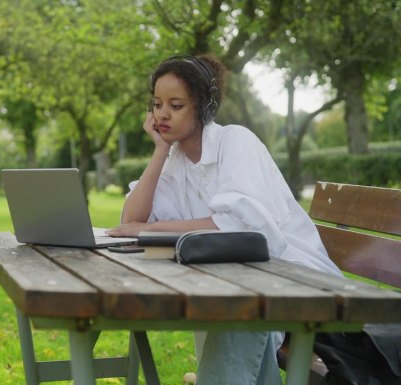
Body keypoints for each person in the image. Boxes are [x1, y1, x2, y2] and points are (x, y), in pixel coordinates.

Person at [107, 54, 343, 385]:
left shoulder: (236, 141)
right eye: (157, 103)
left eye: (176, 106)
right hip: (243, 276)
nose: (162, 113)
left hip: (295, 278)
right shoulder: (174, 158)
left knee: (237, 310)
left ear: (203, 107)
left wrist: (150, 228)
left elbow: (238, 225)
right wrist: (159, 151)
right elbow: (129, 221)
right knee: (229, 304)